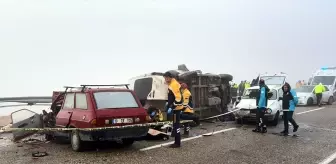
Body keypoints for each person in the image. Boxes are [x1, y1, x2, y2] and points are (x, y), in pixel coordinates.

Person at [163, 72, 183, 148]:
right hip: (176, 108)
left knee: (176, 125)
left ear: (170, 77)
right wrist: (168, 103)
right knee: (175, 124)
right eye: (165, 78)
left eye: (167, 78)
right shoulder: (172, 84)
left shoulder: (174, 85)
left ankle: (177, 143)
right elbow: (173, 97)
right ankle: (176, 141)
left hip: (176, 109)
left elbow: (178, 98)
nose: (166, 79)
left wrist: (172, 106)